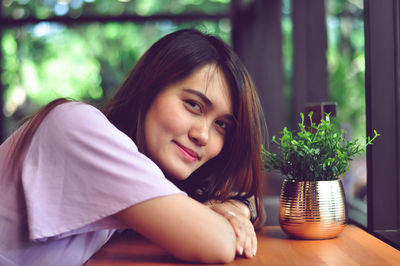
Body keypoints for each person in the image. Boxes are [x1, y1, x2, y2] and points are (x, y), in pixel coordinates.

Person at [0, 28, 267, 265]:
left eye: (221, 125)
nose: (203, 136)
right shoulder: (77, 127)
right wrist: (223, 215)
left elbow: (245, 197)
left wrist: (234, 208)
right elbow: (217, 243)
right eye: (193, 105)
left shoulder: (143, 174)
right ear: (150, 88)